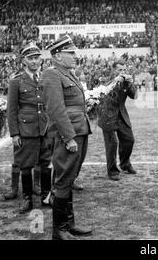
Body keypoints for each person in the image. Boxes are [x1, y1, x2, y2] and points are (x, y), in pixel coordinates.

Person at [41, 35, 92, 239]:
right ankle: (58, 230)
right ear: (58, 56)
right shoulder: (51, 74)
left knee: (69, 178)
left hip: (80, 130)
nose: (74, 56)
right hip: (68, 134)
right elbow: (55, 108)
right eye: (70, 53)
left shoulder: (68, 73)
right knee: (63, 180)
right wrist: (69, 137)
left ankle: (69, 224)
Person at [4, 43, 52, 213]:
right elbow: (12, 110)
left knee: (46, 163)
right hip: (26, 129)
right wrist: (15, 133)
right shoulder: (16, 81)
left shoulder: (46, 77)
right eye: (30, 58)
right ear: (23, 61)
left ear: (41, 59)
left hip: (45, 127)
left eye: (37, 57)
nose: (34, 61)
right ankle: (27, 199)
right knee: (25, 165)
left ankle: (46, 196)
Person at [98, 59, 138, 181]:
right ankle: (112, 170)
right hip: (107, 114)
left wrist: (131, 84)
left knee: (129, 140)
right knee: (112, 144)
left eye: (124, 70)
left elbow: (135, 96)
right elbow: (102, 94)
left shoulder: (126, 81)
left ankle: (125, 164)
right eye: (120, 70)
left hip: (121, 114)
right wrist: (115, 82)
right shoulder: (105, 78)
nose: (123, 72)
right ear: (114, 69)